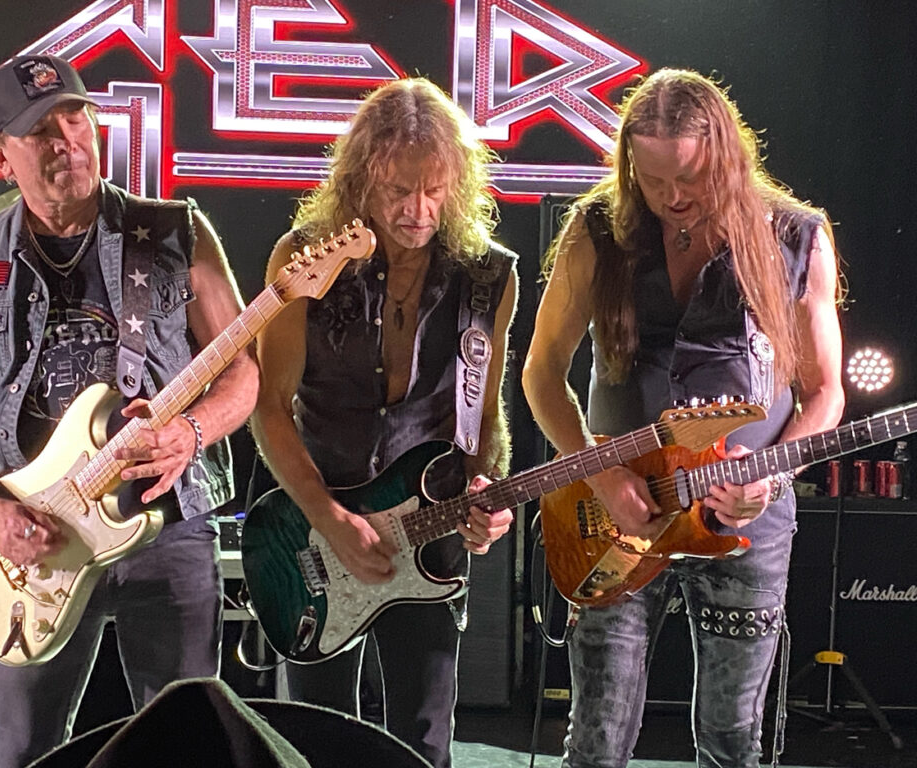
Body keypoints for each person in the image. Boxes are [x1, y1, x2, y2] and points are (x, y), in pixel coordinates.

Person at [0, 55, 259, 768]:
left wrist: (192, 431)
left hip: (166, 524)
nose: (67, 140)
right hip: (30, 538)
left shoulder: (176, 233)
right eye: (42, 130)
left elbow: (243, 371)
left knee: (188, 747)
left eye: (76, 118)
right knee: (24, 753)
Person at [522, 68, 845, 768]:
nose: (672, 197)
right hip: (615, 515)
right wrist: (602, 474)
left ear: (725, 156)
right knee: (596, 737)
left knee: (731, 739)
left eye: (690, 178)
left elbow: (825, 393)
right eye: (652, 180)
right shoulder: (596, 230)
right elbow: (541, 373)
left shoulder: (795, 236)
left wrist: (772, 475)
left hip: (743, 519)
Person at [249, 77, 518, 768]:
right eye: (399, 190)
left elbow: (484, 414)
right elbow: (269, 405)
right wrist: (329, 518)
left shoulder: (488, 277)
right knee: (315, 742)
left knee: (424, 746)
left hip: (428, 533)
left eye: (434, 190)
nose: (417, 210)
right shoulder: (305, 258)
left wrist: (486, 493)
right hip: (313, 530)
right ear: (361, 178)